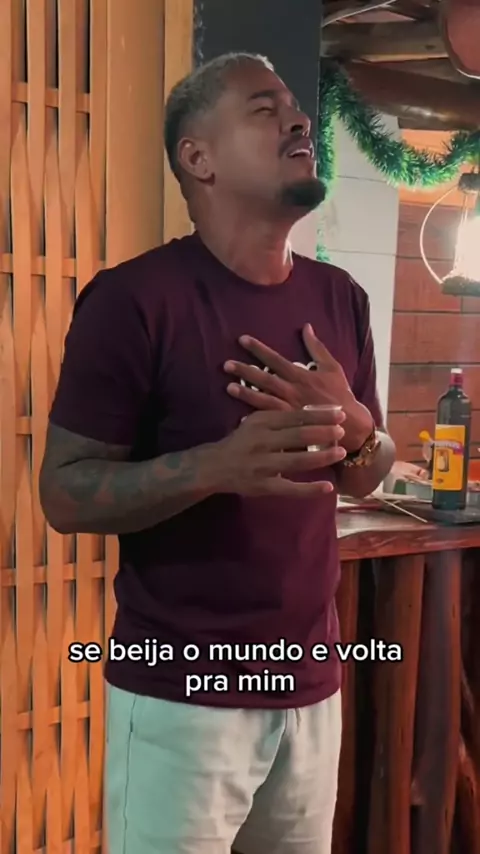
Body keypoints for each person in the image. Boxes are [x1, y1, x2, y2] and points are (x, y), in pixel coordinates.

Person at [39, 52, 395, 854]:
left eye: (295, 108)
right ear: (197, 158)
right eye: (264, 110)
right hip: (180, 700)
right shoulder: (133, 301)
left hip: (310, 690)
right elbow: (63, 493)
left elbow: (368, 475)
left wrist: (359, 431)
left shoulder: (340, 299)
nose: (299, 120)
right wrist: (216, 466)